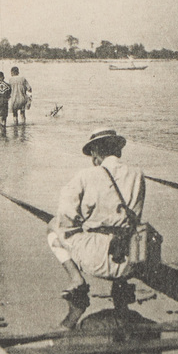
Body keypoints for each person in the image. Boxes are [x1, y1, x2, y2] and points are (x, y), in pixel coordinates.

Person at [47, 129, 145, 304]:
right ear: (118, 150)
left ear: (94, 153)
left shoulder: (85, 176)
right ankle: (121, 283)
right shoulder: (137, 174)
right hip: (132, 259)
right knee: (126, 225)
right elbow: (135, 216)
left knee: (53, 226)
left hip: (96, 259)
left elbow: (65, 217)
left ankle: (77, 279)